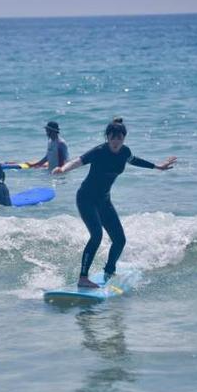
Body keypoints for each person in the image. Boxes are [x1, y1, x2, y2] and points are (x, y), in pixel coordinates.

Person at [52, 119, 177, 288]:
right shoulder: (99, 151)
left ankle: (109, 271)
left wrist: (158, 167)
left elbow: (135, 160)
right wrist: (63, 169)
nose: (117, 142)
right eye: (113, 138)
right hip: (86, 199)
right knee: (96, 235)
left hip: (104, 200)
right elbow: (79, 161)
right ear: (107, 138)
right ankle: (83, 278)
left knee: (119, 240)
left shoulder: (125, 152)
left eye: (120, 138)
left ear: (124, 138)